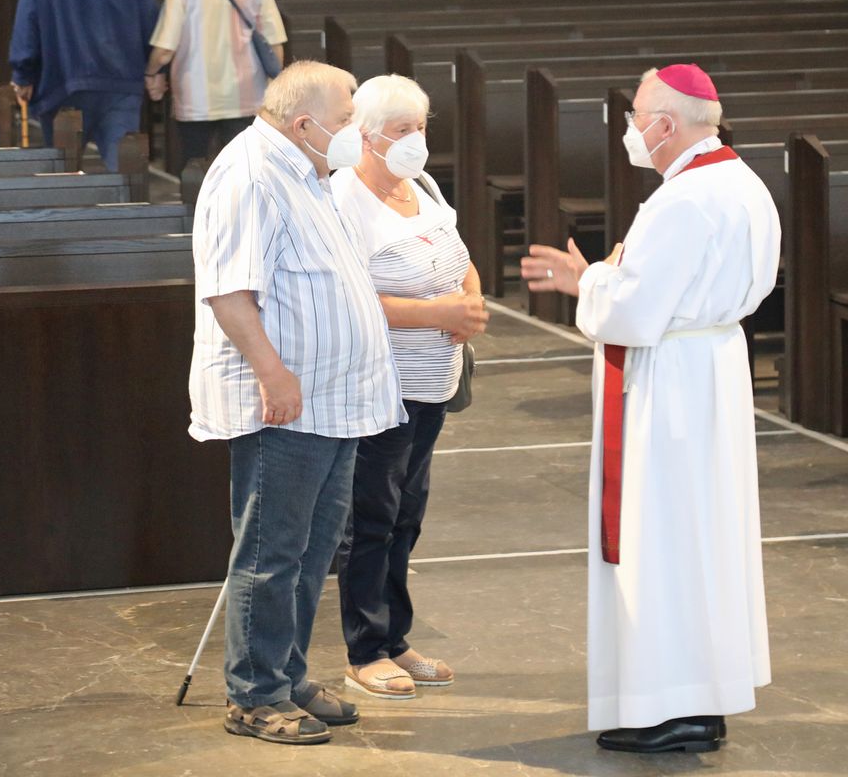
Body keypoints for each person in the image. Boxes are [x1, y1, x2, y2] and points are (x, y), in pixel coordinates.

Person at [521, 63, 779, 754]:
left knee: (661, 540)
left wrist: (588, 280)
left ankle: (674, 706)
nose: (631, 129)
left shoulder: (683, 200)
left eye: (636, 116)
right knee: (704, 539)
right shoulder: (743, 182)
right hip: (711, 369)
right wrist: (606, 278)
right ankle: (707, 695)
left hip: (670, 384)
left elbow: (635, 311)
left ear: (665, 125)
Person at [188, 60, 404, 745]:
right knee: (271, 552)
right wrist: (272, 371)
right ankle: (253, 694)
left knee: (312, 552)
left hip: (334, 400)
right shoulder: (249, 173)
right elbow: (229, 290)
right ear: (304, 122)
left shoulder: (310, 171)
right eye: (346, 122)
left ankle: (286, 674)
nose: (355, 135)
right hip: (284, 400)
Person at [330, 74, 489, 700]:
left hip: (433, 381)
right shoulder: (344, 197)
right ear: (365, 136)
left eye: (421, 127)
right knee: (371, 515)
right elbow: (347, 298)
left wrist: (471, 299)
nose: (416, 141)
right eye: (402, 131)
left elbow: (459, 254)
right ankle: (365, 649)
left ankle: (396, 636)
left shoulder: (421, 185)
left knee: (407, 512)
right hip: (380, 381)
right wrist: (436, 315)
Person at [8, 0, 157, 172]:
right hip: (121, 81)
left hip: (62, 82)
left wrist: (23, 74)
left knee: (63, 177)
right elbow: (148, 15)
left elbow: (28, 18)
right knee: (126, 174)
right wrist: (154, 70)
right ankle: (129, 202)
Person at [145, 0, 286, 169]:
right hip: (246, 93)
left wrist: (152, 74)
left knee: (195, 168)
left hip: (195, 97)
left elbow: (164, 51)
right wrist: (275, 86)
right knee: (247, 168)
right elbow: (274, 42)